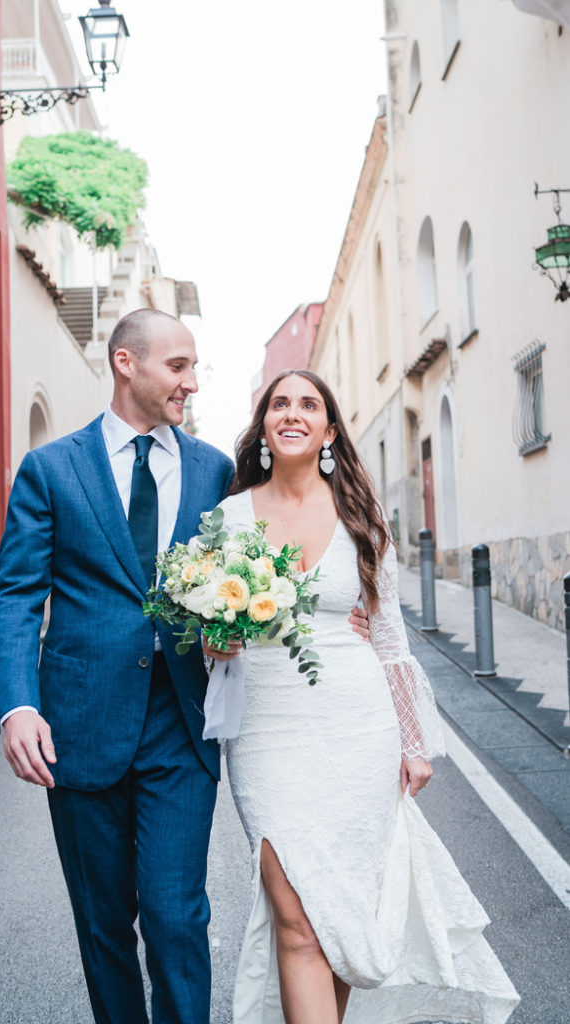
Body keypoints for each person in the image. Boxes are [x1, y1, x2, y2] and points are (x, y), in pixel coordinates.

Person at [0, 308, 373, 1024]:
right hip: (78, 726)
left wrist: (318, 611)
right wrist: (19, 704)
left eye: (194, 368)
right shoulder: (50, 468)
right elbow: (13, 595)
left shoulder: (212, 473)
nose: (191, 383)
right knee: (104, 928)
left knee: (175, 917)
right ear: (126, 364)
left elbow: (259, 562)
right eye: (178, 367)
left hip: (181, 726)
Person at [205, 369, 519, 1024]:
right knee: (295, 918)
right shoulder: (229, 517)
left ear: (328, 429)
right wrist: (215, 640)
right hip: (264, 730)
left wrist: (413, 743)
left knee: (339, 917)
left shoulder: (360, 516)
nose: (292, 413)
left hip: (357, 730)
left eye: (308, 404)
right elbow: (208, 628)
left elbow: (389, 635)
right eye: (279, 403)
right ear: (263, 425)